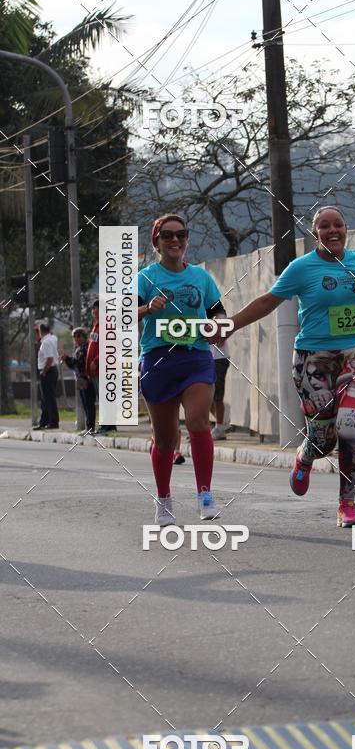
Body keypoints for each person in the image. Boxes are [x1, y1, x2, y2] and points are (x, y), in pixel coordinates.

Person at [228, 206, 355, 527]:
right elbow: (268, 301)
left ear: (346, 229)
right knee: (323, 440)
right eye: (324, 226)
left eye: (338, 225)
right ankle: (305, 457)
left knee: (350, 428)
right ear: (314, 232)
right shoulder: (301, 268)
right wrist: (232, 324)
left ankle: (347, 504)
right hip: (312, 362)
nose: (333, 231)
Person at [138, 213, 228, 526]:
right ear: (156, 241)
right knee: (165, 440)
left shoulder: (201, 277)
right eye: (167, 235)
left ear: (187, 240)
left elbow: (218, 311)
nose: (175, 240)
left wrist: (217, 323)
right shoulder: (146, 278)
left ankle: (205, 494)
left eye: (181, 234)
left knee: (197, 422)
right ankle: (163, 499)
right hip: (159, 360)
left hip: (196, 357)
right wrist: (148, 308)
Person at [85, 299, 117, 436]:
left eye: (96, 308)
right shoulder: (96, 326)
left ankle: (108, 426)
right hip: (95, 371)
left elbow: (110, 346)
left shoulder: (107, 324)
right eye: (92, 309)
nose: (93, 311)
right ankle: (105, 425)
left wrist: (96, 360)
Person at [61, 327, 96, 433]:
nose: (76, 339)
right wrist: (67, 359)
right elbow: (74, 365)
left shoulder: (87, 347)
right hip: (80, 380)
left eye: (78, 336)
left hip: (87, 379)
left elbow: (79, 362)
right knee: (85, 404)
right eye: (74, 337)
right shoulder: (78, 349)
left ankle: (90, 427)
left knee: (89, 404)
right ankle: (88, 427)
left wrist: (68, 359)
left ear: (84, 337)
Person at [34, 322, 60, 430]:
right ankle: (44, 421)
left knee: (48, 398)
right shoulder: (52, 338)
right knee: (45, 399)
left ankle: (53, 421)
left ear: (40, 332)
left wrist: (44, 371)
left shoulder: (46, 342)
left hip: (48, 371)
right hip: (52, 370)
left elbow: (49, 359)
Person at [210, 338, 231, 439]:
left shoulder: (220, 321)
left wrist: (223, 336)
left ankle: (219, 427)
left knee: (217, 395)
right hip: (205, 356)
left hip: (219, 357)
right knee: (204, 396)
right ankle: (222, 424)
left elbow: (229, 325)